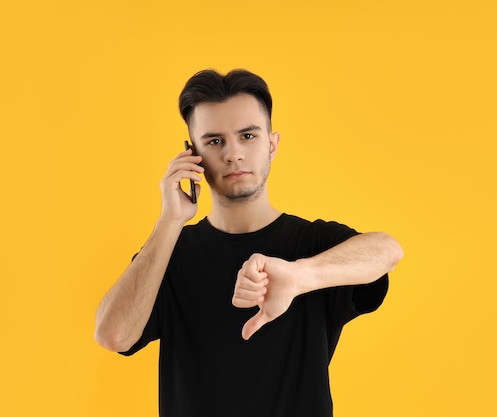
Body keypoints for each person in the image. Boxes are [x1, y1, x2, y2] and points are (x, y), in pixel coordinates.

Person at [94, 69, 404, 417]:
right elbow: (113, 335)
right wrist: (169, 221)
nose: (233, 154)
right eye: (214, 141)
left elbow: (387, 250)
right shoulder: (169, 254)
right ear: (191, 154)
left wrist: (299, 276)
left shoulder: (314, 244)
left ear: (272, 144)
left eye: (247, 136)